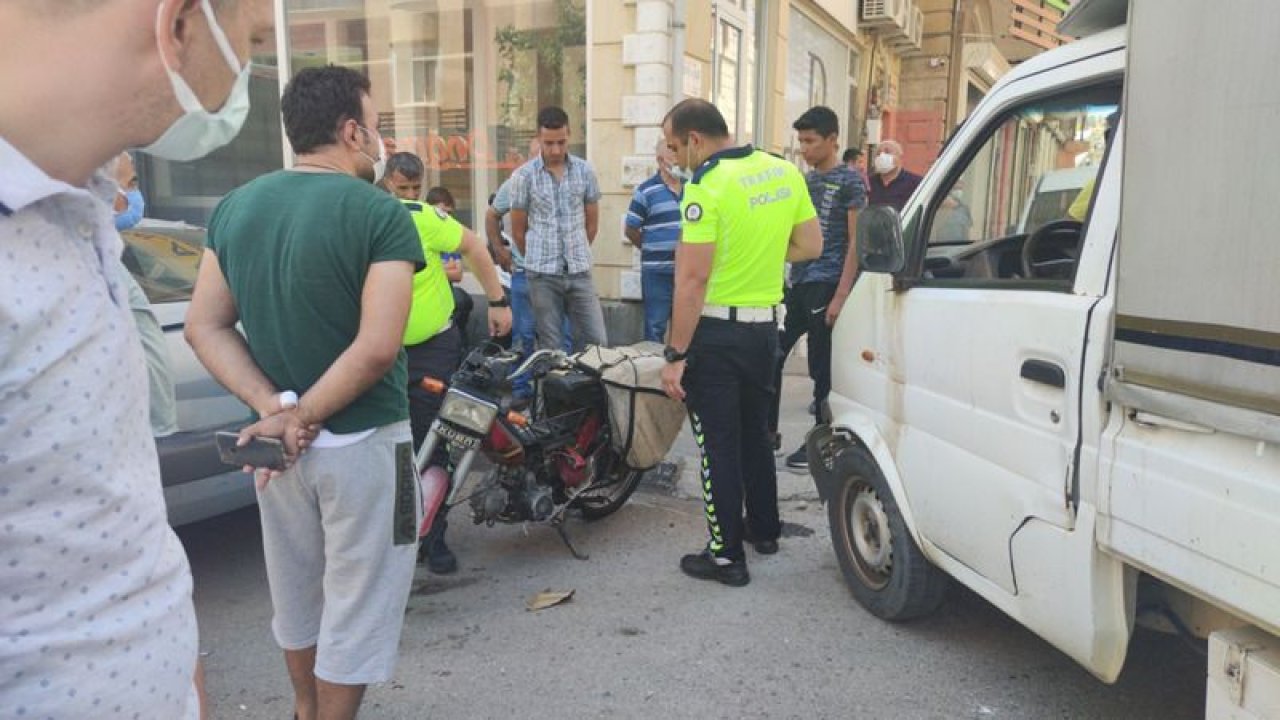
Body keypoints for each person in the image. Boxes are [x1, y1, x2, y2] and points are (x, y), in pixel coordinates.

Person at [0, 1, 269, 717]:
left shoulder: (78, 210)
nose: (249, 70)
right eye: (254, 39)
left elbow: (108, 524)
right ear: (180, 24)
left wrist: (181, 673)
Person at [184, 65, 423, 720]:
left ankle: (303, 709)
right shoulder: (380, 211)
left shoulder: (237, 206)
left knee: (296, 594)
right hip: (366, 440)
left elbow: (204, 325)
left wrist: (274, 410)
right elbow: (378, 347)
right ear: (350, 131)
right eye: (375, 129)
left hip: (276, 449)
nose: (380, 143)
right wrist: (303, 415)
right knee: (361, 598)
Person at [659, 98, 822, 587]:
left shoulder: (705, 187)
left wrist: (675, 354)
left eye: (673, 146)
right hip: (764, 330)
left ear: (694, 140)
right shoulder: (781, 171)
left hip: (715, 334)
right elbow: (811, 246)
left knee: (718, 445)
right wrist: (765, 260)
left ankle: (726, 556)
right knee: (755, 433)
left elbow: (691, 281)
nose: (671, 156)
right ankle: (765, 529)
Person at [388, 163, 511, 574]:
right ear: (386, 182)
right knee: (389, 449)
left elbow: (475, 247)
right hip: (383, 354)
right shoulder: (370, 217)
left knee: (435, 440)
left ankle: (434, 537)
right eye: (400, 186)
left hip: (432, 349)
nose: (408, 194)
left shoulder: (425, 219)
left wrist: (496, 300)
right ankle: (395, 539)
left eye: (414, 187)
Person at [769, 106, 867, 471]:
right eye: (801, 142)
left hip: (828, 282)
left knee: (821, 368)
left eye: (810, 141)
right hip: (797, 281)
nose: (805, 149)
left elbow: (856, 241)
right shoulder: (803, 181)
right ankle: (767, 433)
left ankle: (823, 443)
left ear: (832, 140)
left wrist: (842, 294)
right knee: (773, 353)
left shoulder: (851, 180)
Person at [510, 106, 608, 351]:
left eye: (561, 142)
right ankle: (554, 390)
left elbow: (592, 223)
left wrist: (577, 250)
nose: (555, 150)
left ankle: (590, 390)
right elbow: (518, 230)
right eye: (549, 143)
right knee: (551, 347)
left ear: (570, 135)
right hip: (542, 275)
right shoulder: (524, 176)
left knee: (597, 342)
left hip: (579, 271)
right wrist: (537, 256)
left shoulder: (585, 171)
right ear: (538, 139)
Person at [110, 152, 181, 437]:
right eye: (130, 183)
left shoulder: (106, 260)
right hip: (136, 437)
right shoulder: (88, 268)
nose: (134, 194)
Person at [625, 138, 683, 342]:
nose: (678, 163)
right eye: (672, 159)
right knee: (655, 327)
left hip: (686, 273)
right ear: (660, 161)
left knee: (684, 328)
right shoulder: (646, 191)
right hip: (656, 272)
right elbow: (631, 228)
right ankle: (653, 370)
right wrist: (650, 247)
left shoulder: (693, 188)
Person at [425, 185, 475, 347]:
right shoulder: (422, 234)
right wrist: (446, 267)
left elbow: (457, 274)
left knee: (462, 302)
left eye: (449, 213)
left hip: (446, 294)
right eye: (441, 212)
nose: (445, 217)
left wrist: (434, 268)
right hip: (425, 297)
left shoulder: (450, 239)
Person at [868, 139, 923, 212]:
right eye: (878, 154)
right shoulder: (869, 182)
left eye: (887, 152)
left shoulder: (916, 182)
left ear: (900, 157)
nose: (882, 156)